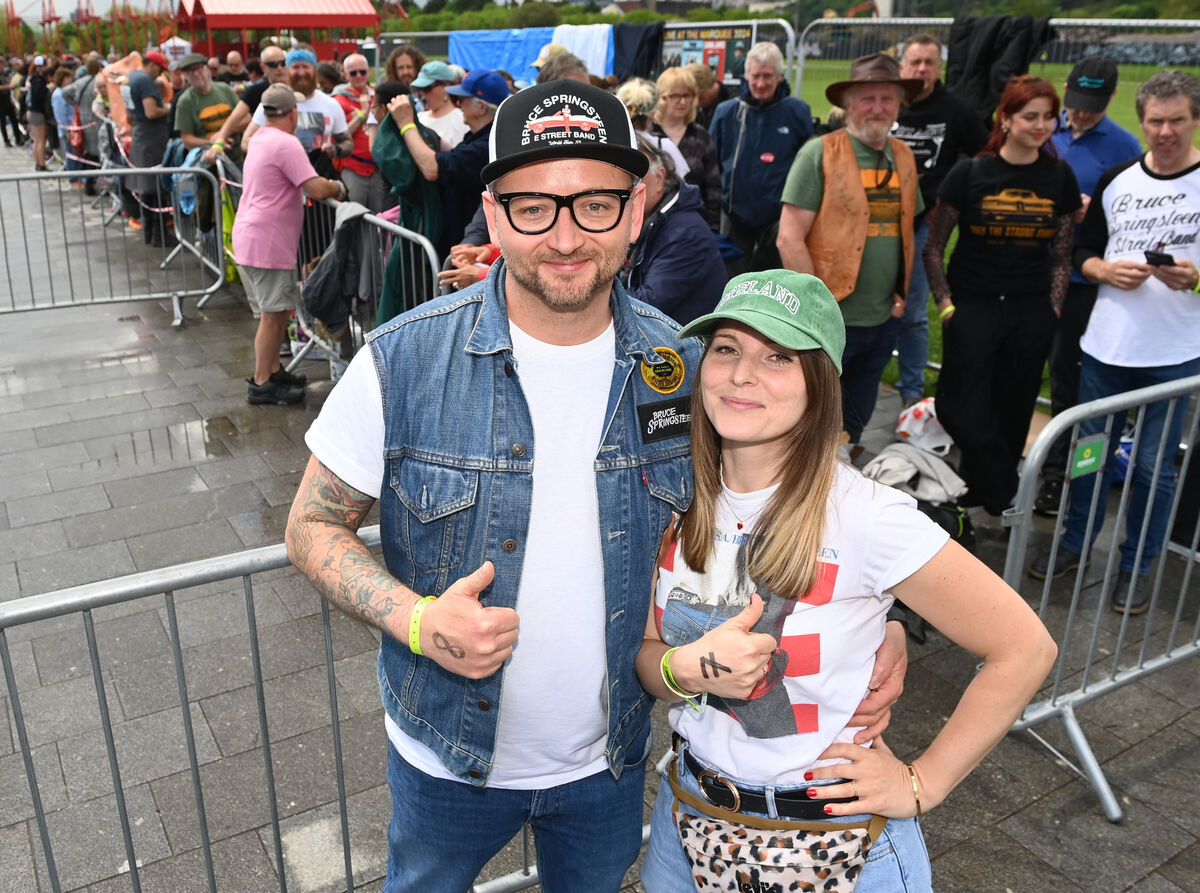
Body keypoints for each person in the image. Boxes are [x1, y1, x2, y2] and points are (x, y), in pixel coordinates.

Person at [286, 79, 906, 893]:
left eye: (596, 205)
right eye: (534, 206)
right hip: (443, 757)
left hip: (607, 765)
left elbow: (783, 504)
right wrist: (416, 617)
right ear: (495, 211)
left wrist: (872, 623)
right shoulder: (402, 362)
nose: (567, 236)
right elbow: (311, 526)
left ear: (638, 205)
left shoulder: (685, 370)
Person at [636, 269, 1056, 893]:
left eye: (777, 356)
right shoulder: (678, 497)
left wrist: (923, 783)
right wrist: (687, 670)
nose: (742, 374)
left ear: (819, 384)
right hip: (688, 820)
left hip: (831, 843)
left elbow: (1025, 648)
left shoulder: (869, 516)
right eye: (727, 348)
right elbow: (650, 660)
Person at [1030, 70, 1200, 614]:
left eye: (1177, 120)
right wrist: (1103, 270)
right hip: (1107, 346)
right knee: (1090, 454)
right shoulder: (1118, 177)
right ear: (1142, 119)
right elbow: (1083, 250)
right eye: (1156, 120)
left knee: (1154, 467)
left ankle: (1136, 565)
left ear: (1194, 119)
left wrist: (1194, 278)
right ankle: (1074, 544)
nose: (1166, 131)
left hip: (1176, 354)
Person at [923, 76, 1080, 516]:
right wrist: (947, 305)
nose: (1042, 125)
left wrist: (1052, 307)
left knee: (1013, 407)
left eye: (1050, 116)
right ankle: (1006, 485)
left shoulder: (1059, 176)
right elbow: (934, 246)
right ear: (1005, 119)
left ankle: (985, 491)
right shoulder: (970, 172)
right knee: (957, 403)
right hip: (973, 304)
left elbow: (1063, 253)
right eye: (1030, 116)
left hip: (1031, 309)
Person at [777, 53, 924, 449]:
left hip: (882, 319)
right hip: (832, 318)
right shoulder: (819, 153)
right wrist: (815, 310)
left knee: (856, 414)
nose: (878, 108)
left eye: (888, 99)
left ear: (899, 106)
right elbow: (788, 238)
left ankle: (848, 479)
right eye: (867, 98)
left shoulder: (904, 156)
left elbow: (906, 231)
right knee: (811, 418)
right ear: (847, 104)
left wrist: (901, 293)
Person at [1034, 56, 1143, 516]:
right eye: (1076, 103)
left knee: (1067, 376)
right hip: (1028, 270)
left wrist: (1092, 211)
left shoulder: (1125, 147)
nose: (1080, 114)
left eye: (1092, 106)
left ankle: (1059, 477)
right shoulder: (1043, 128)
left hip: (1080, 278)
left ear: (1112, 97)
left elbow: (1131, 218)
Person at [892, 34, 989, 408]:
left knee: (914, 311)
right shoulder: (890, 104)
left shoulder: (956, 110)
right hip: (877, 224)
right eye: (915, 62)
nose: (921, 70)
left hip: (923, 225)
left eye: (929, 62)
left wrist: (952, 200)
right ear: (902, 65)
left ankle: (911, 396)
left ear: (939, 67)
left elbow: (986, 156)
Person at [233, 83, 345, 406]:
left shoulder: (260, 138)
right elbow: (316, 188)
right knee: (272, 315)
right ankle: (262, 382)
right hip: (266, 242)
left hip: (257, 236)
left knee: (278, 311)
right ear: (293, 113)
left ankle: (271, 370)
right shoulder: (285, 143)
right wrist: (338, 186)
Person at [710, 42, 814, 274]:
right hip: (735, 216)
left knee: (778, 281)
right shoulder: (727, 112)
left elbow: (808, 167)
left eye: (768, 76)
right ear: (746, 75)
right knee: (734, 281)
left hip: (781, 221)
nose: (760, 83)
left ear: (779, 76)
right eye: (755, 76)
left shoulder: (797, 112)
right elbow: (712, 164)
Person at [385, 68, 507, 258]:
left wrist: (405, 124)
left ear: (481, 107)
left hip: (469, 252)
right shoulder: (480, 138)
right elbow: (452, 157)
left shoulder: (488, 145)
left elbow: (432, 168)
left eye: (461, 100)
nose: (457, 105)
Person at [622, 133, 726, 324]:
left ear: (660, 178)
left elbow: (644, 307)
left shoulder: (685, 234)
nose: (626, 188)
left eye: (635, 179)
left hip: (688, 348)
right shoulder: (657, 219)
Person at [243, 47, 350, 158]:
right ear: (287, 70)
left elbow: (347, 143)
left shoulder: (331, 104)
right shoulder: (274, 101)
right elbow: (246, 141)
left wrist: (335, 150)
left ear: (314, 69)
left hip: (319, 173)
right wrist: (273, 153)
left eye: (305, 66)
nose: (301, 72)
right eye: (296, 67)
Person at [651, 66, 721, 229]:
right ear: (662, 98)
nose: (682, 102)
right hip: (652, 225)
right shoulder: (648, 136)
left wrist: (711, 227)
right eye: (675, 95)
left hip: (693, 225)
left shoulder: (701, 136)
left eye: (687, 95)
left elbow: (713, 188)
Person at [119, 50, 174, 245]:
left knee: (145, 188)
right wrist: (169, 109)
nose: (160, 75)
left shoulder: (129, 78)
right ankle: (160, 236)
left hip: (140, 135)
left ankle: (149, 234)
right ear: (152, 65)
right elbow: (151, 112)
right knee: (156, 187)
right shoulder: (144, 80)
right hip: (152, 138)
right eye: (159, 70)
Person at [203, 44, 288, 162]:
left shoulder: (297, 86)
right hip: (268, 152)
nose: (279, 68)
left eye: (283, 63)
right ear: (263, 67)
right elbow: (235, 117)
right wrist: (219, 142)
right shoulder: (257, 90)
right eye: (273, 65)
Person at [331, 53, 384, 210]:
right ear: (345, 74)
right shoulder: (338, 100)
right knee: (352, 218)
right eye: (353, 73)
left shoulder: (378, 95)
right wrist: (363, 113)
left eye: (363, 71)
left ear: (369, 72)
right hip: (353, 168)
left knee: (380, 221)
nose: (359, 76)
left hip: (378, 168)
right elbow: (341, 135)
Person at [172, 52, 239, 152]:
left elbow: (246, 118)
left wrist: (222, 134)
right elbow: (187, 140)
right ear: (185, 75)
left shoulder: (225, 89)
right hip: (207, 162)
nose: (195, 74)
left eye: (198, 68)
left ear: (207, 68)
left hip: (237, 157)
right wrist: (212, 143)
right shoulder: (184, 101)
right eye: (190, 71)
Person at [410, 60, 469, 148]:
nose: (422, 94)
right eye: (419, 89)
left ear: (446, 86)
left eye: (427, 88)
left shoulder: (462, 121)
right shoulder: (418, 118)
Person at [686, 62, 736, 132]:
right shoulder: (698, 108)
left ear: (707, 87)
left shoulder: (734, 106)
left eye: (699, 97)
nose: (696, 103)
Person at [26, 55, 50, 170]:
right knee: (41, 140)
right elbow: (39, 96)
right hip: (37, 112)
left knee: (37, 140)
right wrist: (47, 90)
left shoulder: (33, 78)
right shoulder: (39, 80)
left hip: (31, 111)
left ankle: (38, 163)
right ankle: (41, 164)